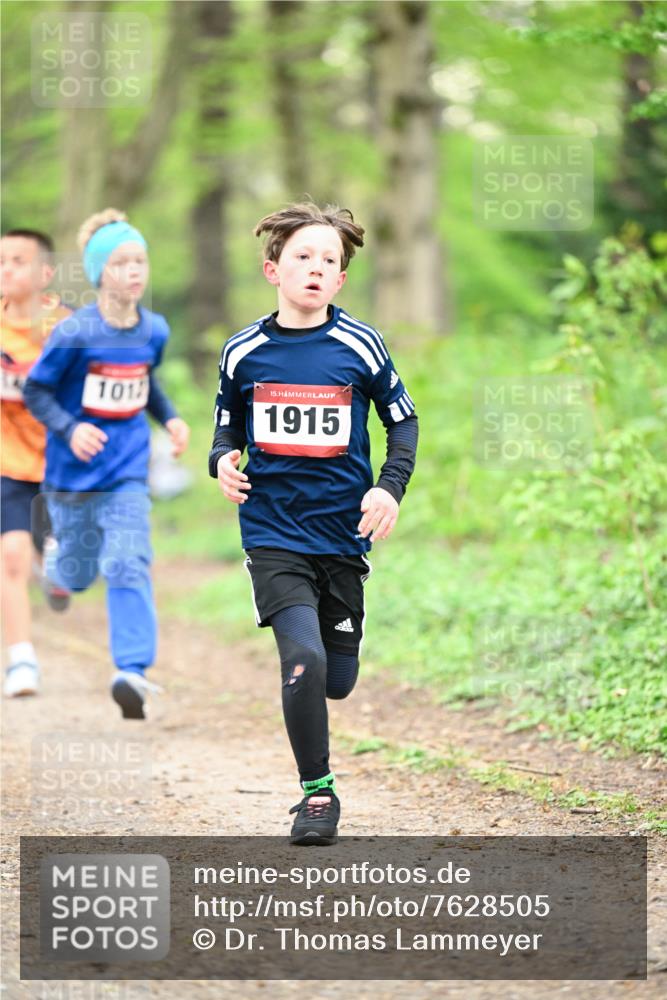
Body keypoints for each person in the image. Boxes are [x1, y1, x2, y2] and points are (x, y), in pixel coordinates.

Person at [209, 202, 418, 844]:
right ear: (274, 270)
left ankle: (343, 645)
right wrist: (222, 461)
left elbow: (402, 422)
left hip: (342, 537)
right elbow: (226, 427)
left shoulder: (359, 345)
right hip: (272, 533)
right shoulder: (244, 351)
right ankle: (318, 795)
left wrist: (388, 489)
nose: (316, 267)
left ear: (341, 280)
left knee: (337, 679)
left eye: (329, 260)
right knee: (301, 658)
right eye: (303, 255)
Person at [23, 209, 190, 719]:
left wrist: (172, 419)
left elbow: (147, 383)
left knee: (127, 559)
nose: (134, 271)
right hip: (72, 478)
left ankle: (132, 672)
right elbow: (36, 390)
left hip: (126, 472)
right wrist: (72, 429)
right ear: (100, 274)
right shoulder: (74, 333)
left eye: (140, 261)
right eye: (121, 263)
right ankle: (54, 569)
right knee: (75, 575)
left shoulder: (154, 329)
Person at [1, 228, 72, 698]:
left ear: (45, 273)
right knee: (10, 556)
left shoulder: (66, 329)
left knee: (58, 561)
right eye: (0, 261)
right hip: (7, 462)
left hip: (61, 465)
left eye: (18, 260)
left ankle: (58, 571)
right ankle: (21, 659)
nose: (6, 269)